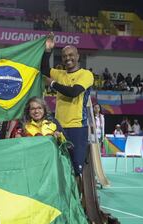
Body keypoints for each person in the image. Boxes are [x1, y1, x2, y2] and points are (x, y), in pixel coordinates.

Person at [42, 37, 94, 178]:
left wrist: (52, 84)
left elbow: (73, 92)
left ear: (78, 56)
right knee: (60, 166)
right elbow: (44, 69)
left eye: (71, 55)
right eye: (64, 56)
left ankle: (78, 198)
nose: (67, 58)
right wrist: (47, 50)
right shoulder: (60, 74)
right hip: (59, 127)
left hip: (77, 127)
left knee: (77, 169)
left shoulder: (86, 74)